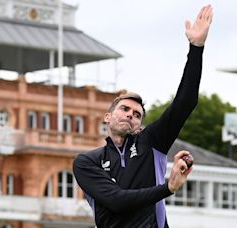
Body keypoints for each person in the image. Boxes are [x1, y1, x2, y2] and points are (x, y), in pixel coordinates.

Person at [73, 4, 213, 228]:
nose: (130, 115)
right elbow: (115, 201)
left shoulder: (151, 142)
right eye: (125, 109)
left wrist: (196, 47)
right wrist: (168, 188)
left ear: (139, 124)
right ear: (108, 117)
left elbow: (185, 102)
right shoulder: (87, 162)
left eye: (137, 114)